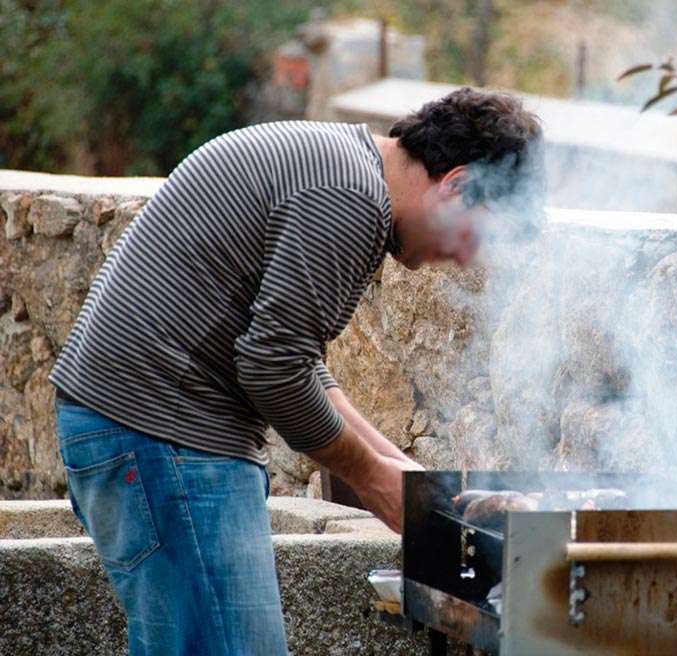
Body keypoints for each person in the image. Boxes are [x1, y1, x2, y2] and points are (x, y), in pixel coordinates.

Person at [49, 87, 543, 655]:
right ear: (454, 184)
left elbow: (295, 360)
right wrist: (372, 479)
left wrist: (397, 466)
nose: (462, 259)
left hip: (140, 432)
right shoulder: (349, 199)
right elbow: (272, 370)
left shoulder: (343, 167)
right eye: (477, 235)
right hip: (165, 437)